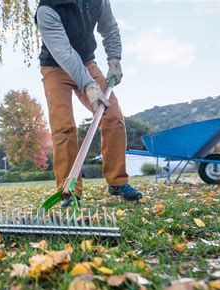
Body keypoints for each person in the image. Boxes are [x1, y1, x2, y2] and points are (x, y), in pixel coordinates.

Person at [36, 0, 142, 204]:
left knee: (113, 117)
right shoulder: (47, 8)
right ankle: (70, 191)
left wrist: (114, 59)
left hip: (87, 61)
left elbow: (109, 28)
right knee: (63, 128)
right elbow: (64, 53)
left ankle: (117, 182)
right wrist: (89, 85)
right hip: (55, 67)